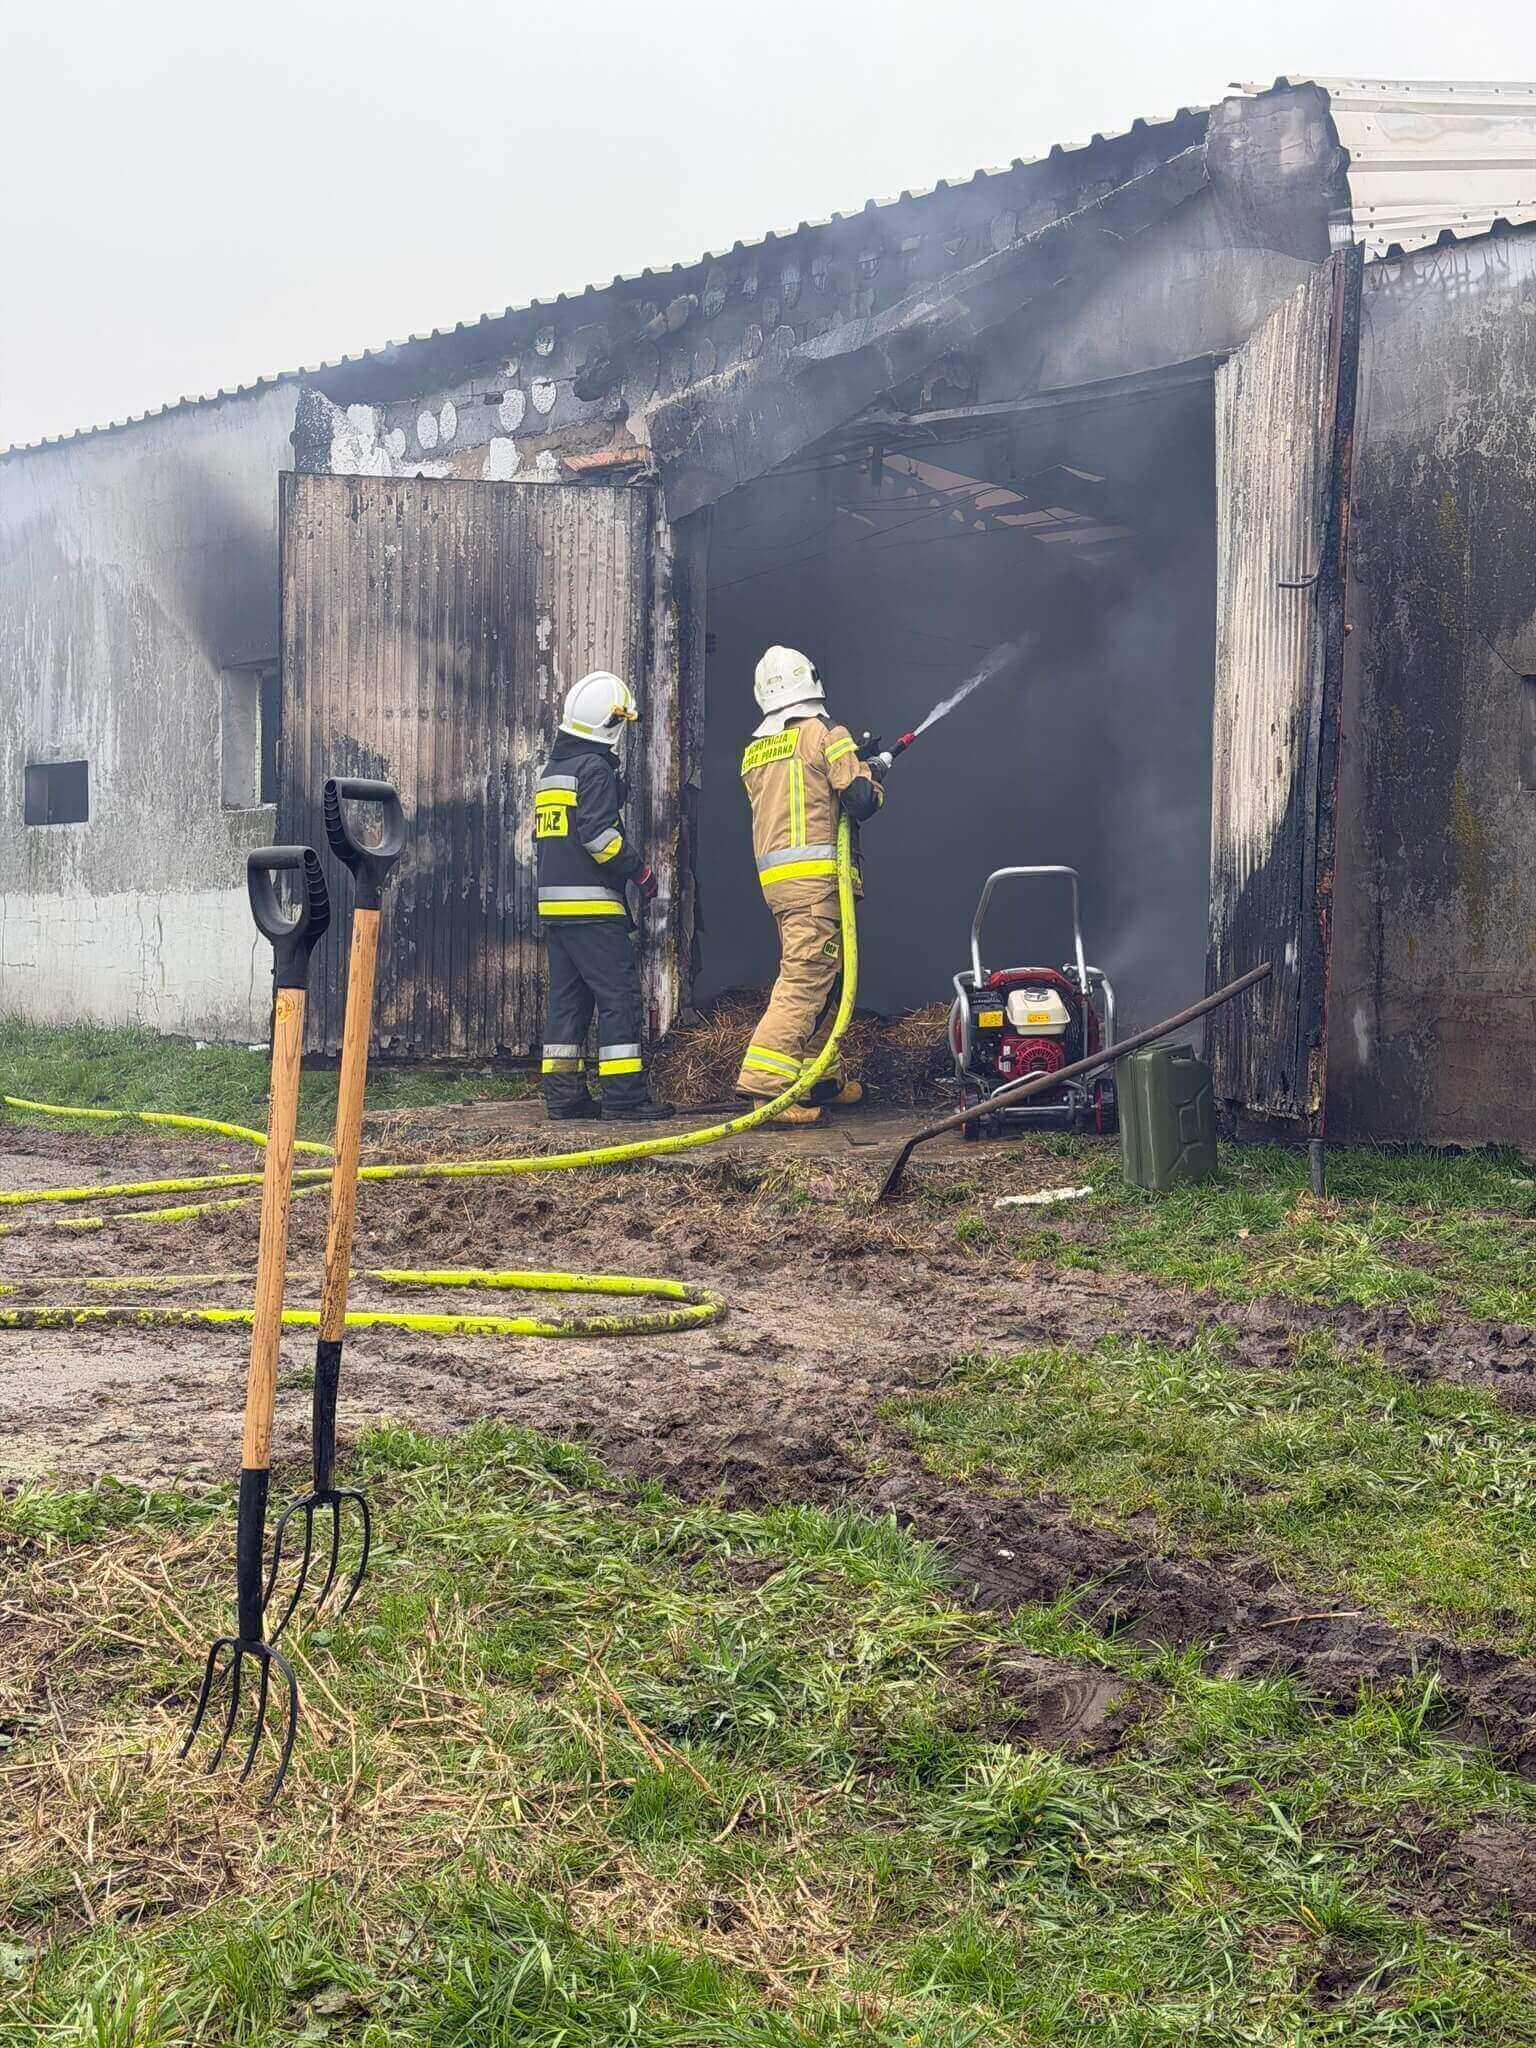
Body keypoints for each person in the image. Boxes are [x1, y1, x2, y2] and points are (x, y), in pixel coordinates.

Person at [735, 645, 885, 1125]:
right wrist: (869, 773)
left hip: (782, 883)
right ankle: (767, 1086)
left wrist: (855, 765)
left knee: (828, 980)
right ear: (811, 682)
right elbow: (860, 800)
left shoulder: (758, 749)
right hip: (817, 883)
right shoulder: (826, 732)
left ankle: (819, 1078)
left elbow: (808, 789)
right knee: (805, 980)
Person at [534, 670, 673, 1121]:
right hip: (594, 909)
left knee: (568, 1004)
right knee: (619, 999)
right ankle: (624, 1097)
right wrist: (641, 872)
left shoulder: (553, 773)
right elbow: (600, 840)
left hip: (557, 911)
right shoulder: (594, 769)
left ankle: (564, 1097)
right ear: (609, 724)